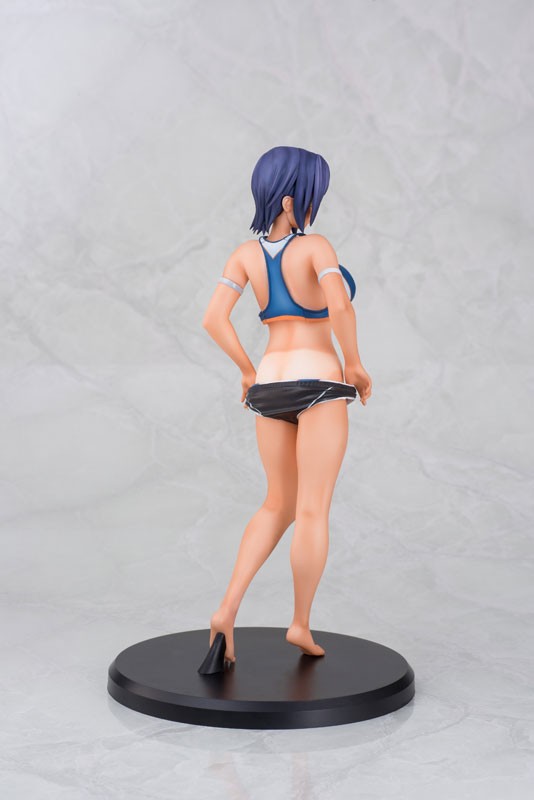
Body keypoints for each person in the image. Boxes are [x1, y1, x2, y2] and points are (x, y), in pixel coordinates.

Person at [199, 146, 372, 673]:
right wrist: (355, 364)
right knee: (311, 509)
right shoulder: (316, 247)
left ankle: (226, 610)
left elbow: (213, 319)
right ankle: (299, 622)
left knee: (277, 504)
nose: (316, 205)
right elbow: (339, 305)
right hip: (319, 381)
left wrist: (247, 370)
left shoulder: (243, 256)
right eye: (313, 195)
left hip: (269, 386)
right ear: (292, 199)